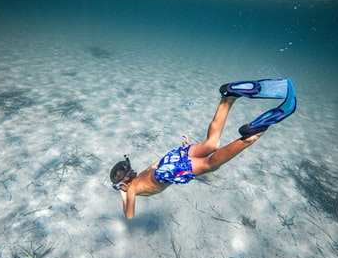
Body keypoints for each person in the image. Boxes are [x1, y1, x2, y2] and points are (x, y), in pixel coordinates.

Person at [109, 94, 264, 219]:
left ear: (122, 183)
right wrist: (182, 152)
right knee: (211, 143)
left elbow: (129, 216)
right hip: (169, 160)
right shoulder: (141, 175)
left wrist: (123, 194)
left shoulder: (131, 189)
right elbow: (156, 164)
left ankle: (249, 138)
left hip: (166, 171)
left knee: (211, 164)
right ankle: (228, 99)